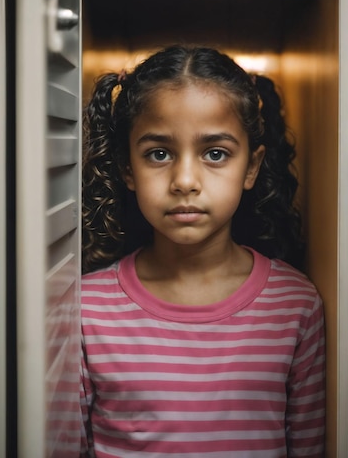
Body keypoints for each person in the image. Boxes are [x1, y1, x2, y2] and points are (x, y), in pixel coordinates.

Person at [80, 44, 325, 457]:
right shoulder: (87, 309)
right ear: (127, 168)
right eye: (159, 154)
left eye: (215, 153)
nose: (185, 181)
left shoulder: (295, 305)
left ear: (250, 167)